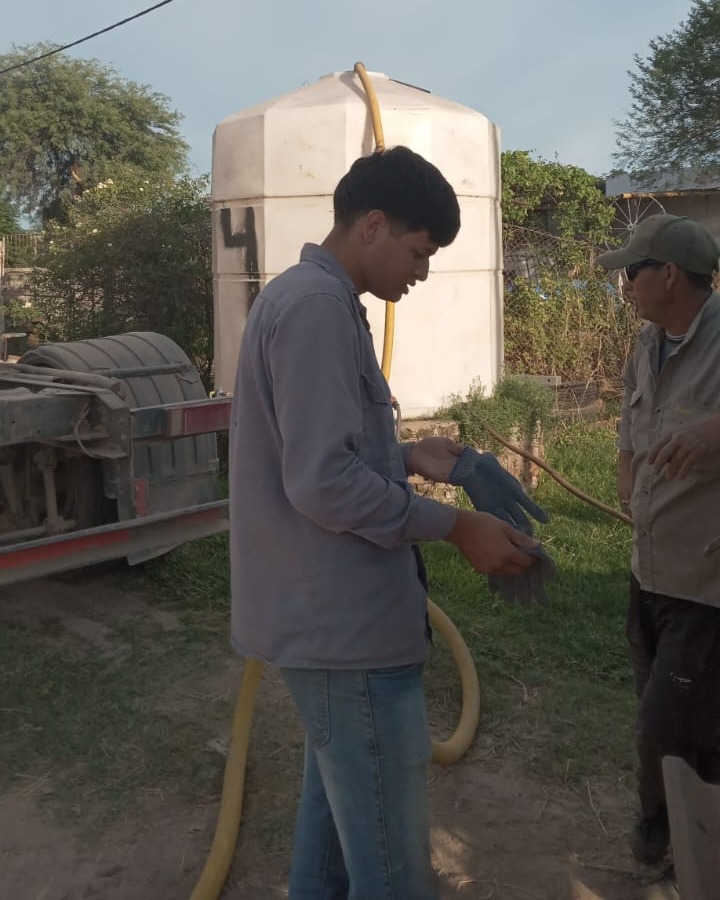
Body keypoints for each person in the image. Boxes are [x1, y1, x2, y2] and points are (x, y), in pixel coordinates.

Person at [228, 146, 543, 900]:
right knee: (395, 874)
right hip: (345, 637)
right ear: (372, 225)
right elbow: (322, 484)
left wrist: (403, 454)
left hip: (335, 629)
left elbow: (314, 454)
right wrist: (457, 528)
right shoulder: (315, 311)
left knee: (334, 849)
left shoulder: (319, 301)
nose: (424, 271)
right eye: (419, 250)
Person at [598, 214, 720, 898]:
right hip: (651, 570)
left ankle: (667, 839)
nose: (626, 287)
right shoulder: (647, 347)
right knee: (679, 718)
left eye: (632, 273)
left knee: (663, 726)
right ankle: (685, 836)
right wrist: (623, 463)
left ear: (668, 275)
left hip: (706, 578)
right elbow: (629, 417)